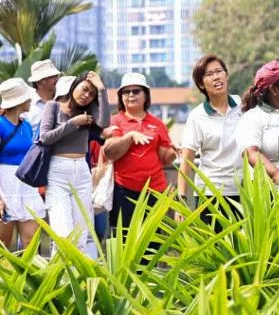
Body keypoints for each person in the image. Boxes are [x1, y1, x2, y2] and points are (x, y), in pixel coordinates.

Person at [37, 72, 108, 256]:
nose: (87, 95)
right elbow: (45, 138)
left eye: (92, 93)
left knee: (82, 236)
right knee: (63, 237)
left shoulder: (89, 111)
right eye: (85, 89)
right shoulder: (53, 107)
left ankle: (76, 282)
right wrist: (72, 123)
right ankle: (58, 282)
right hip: (58, 171)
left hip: (81, 173)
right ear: (74, 86)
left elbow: (104, 123)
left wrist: (101, 90)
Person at [102, 72, 176, 231]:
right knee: (124, 241)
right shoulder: (115, 121)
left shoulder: (157, 124)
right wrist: (129, 137)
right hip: (124, 191)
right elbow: (110, 152)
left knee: (154, 242)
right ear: (121, 97)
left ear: (145, 96)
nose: (130, 95)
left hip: (155, 191)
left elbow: (165, 158)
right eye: (126, 92)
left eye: (136, 91)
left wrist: (173, 151)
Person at [178, 54, 242, 212]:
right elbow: (186, 161)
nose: (216, 77)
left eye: (219, 71)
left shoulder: (242, 105)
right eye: (209, 74)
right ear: (201, 84)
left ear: (226, 75)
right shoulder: (197, 116)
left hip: (244, 192)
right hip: (211, 195)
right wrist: (181, 200)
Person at [0, 77, 44, 251]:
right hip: (4, 184)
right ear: (19, 101)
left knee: (31, 244)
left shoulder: (25, 125)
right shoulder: (1, 124)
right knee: (4, 245)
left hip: (25, 184)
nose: (31, 100)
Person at [235, 62, 279, 186]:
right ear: (273, 89)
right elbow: (251, 153)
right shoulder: (252, 118)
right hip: (271, 190)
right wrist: (276, 174)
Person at [27, 60, 60, 127]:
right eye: (51, 77)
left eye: (56, 76)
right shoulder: (27, 104)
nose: (56, 79)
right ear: (39, 83)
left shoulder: (62, 99)